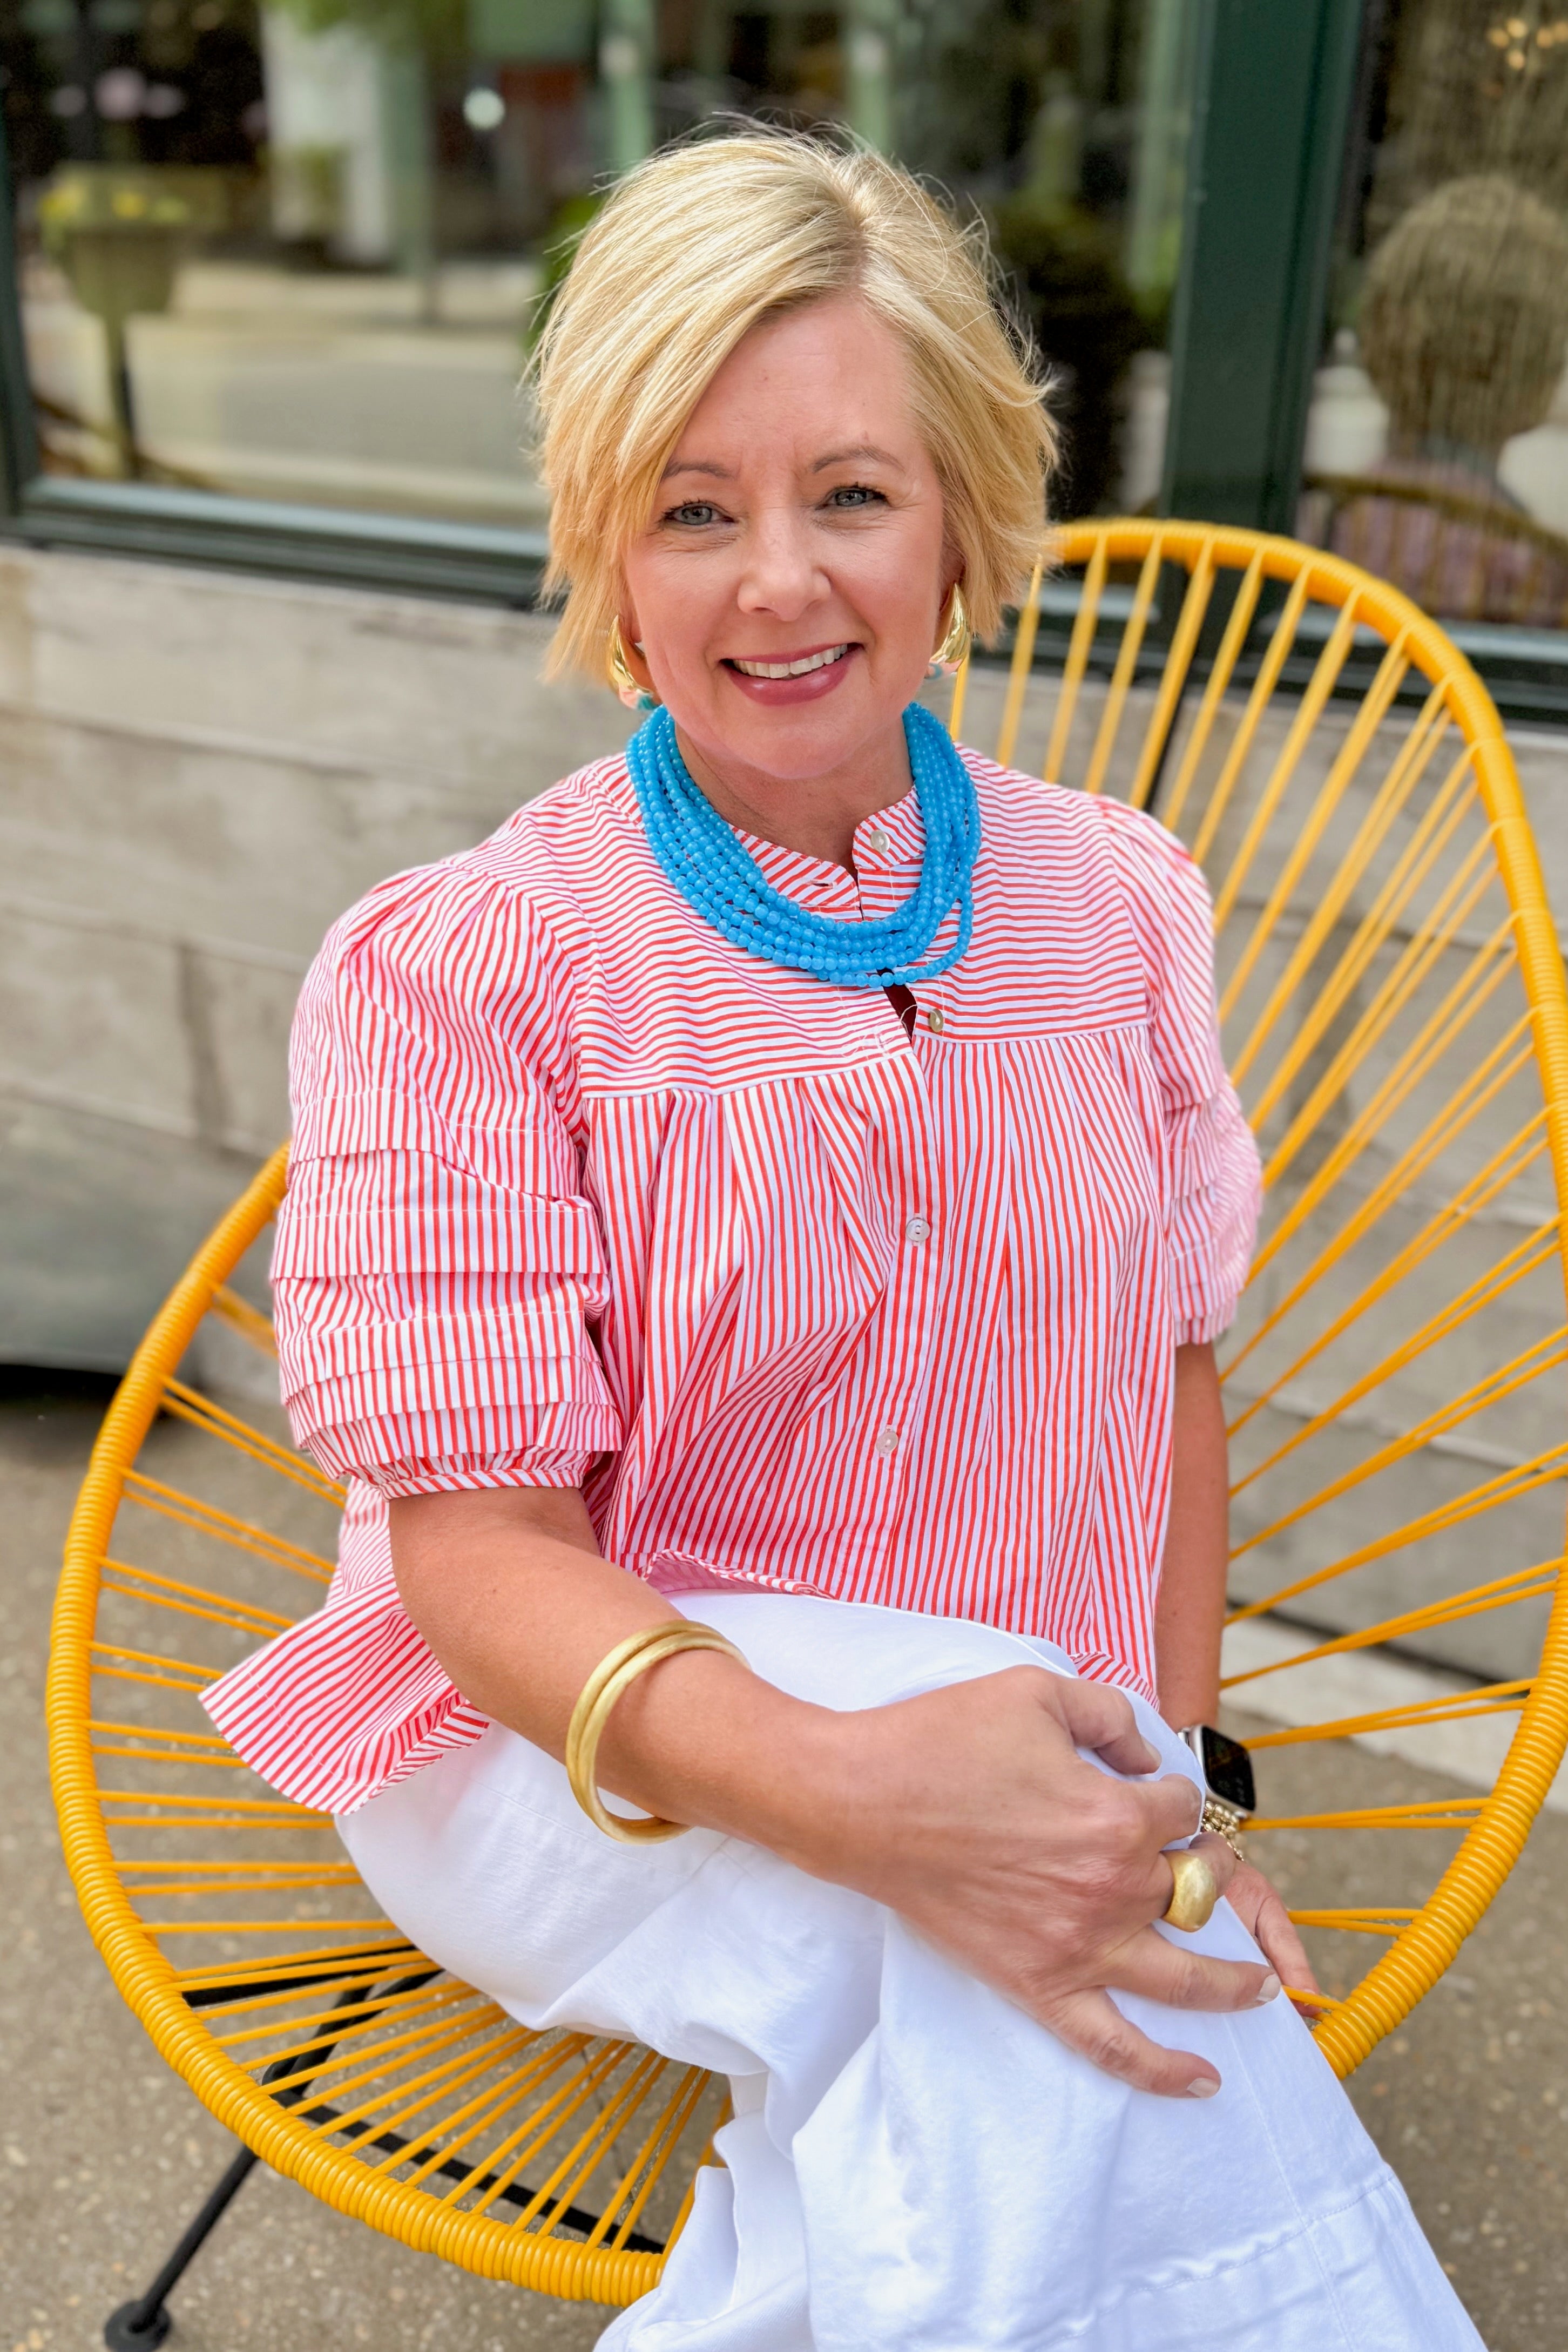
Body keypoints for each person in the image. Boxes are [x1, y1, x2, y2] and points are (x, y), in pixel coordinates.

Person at [206, 131, 1479, 2350]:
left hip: (1022, 1718)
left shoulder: (1119, 911)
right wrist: (872, 1798)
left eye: (853, 494)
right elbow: (474, 1554)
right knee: (1053, 1991)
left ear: (969, 516)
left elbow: (1168, 1381)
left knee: (1043, 2005)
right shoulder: (471, 969)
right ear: (611, 556)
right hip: (568, 1736)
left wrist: (1178, 1800)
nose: (777, 580)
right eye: (694, 507)